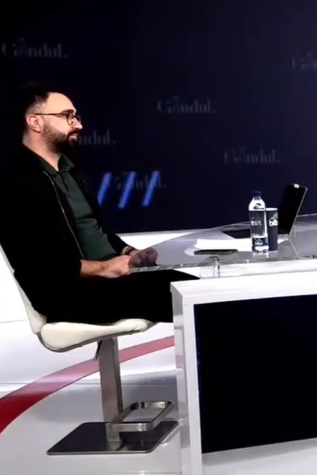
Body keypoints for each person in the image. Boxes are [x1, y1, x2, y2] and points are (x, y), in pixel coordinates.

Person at [0, 83, 198, 325]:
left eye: (76, 116)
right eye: (67, 116)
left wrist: (130, 254)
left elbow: (99, 231)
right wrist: (105, 268)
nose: (78, 125)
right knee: (194, 299)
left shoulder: (71, 172)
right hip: (69, 293)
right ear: (35, 122)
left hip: (109, 282)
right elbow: (42, 264)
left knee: (199, 291)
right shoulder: (16, 182)